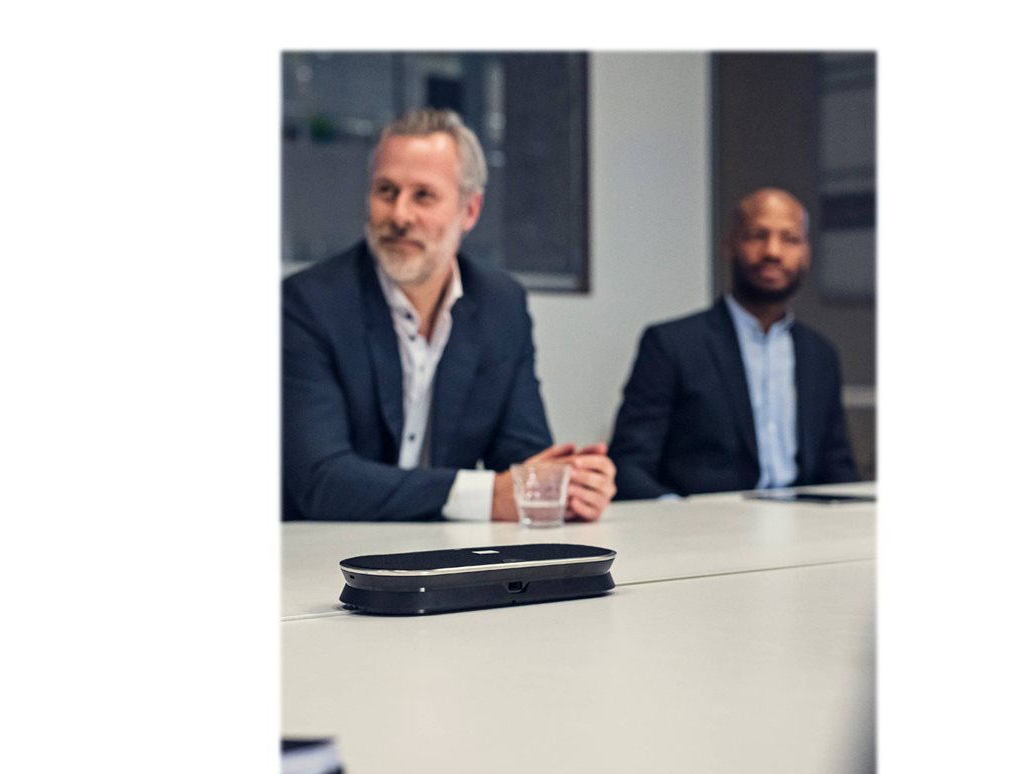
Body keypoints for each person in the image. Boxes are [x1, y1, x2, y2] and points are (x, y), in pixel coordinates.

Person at [283, 108, 616, 521]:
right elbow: (321, 481)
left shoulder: (500, 305)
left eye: (423, 195)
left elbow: (521, 458)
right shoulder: (309, 304)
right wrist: (485, 496)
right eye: (386, 191)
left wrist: (570, 483)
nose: (400, 215)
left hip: (448, 548)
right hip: (324, 550)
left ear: (470, 210)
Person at [608, 188, 859, 499]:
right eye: (757, 235)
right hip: (703, 521)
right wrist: (676, 514)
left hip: (804, 520)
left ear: (806, 253)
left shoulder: (819, 354)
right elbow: (629, 465)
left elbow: (839, 469)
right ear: (730, 245)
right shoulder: (671, 345)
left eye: (790, 239)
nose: (773, 251)